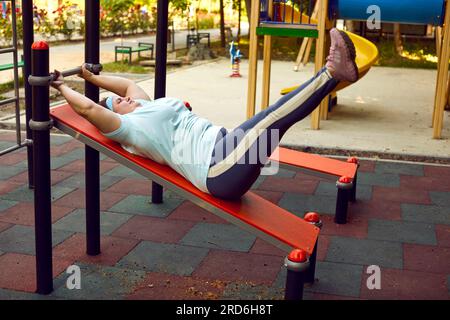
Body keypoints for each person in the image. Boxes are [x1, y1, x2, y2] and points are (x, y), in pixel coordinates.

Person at [52, 28, 359, 200]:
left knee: (271, 120)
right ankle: (332, 71)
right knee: (272, 118)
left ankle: (335, 73)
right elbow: (88, 108)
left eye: (122, 99)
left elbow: (128, 84)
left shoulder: (146, 104)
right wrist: (63, 87)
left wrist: (91, 79)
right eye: (117, 103)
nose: (123, 100)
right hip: (216, 169)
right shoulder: (128, 130)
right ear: (116, 116)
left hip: (226, 147)